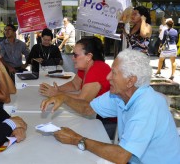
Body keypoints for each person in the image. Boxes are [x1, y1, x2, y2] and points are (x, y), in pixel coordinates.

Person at [41, 49, 180, 164]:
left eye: (113, 72)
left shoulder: (147, 104)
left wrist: (77, 139)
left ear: (130, 81)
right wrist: (64, 97)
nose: (108, 77)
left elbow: (121, 156)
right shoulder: (120, 94)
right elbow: (87, 108)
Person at [39, 37, 115, 138]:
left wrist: (58, 95)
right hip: (98, 115)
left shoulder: (97, 68)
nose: (72, 58)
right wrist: (57, 90)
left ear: (88, 56)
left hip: (109, 121)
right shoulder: (85, 67)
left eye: (75, 55)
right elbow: (74, 85)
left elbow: (83, 101)